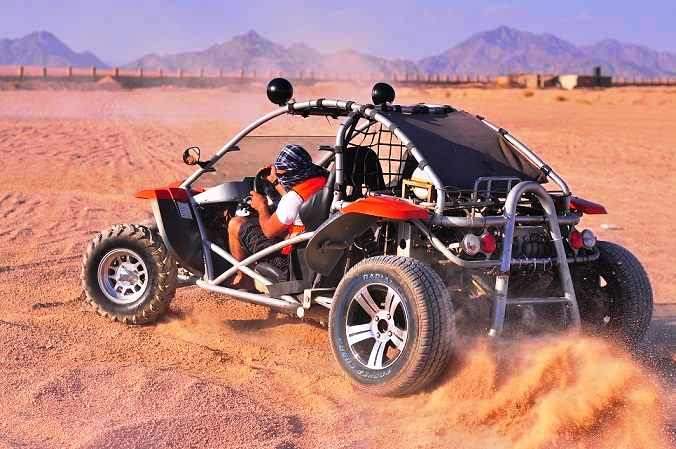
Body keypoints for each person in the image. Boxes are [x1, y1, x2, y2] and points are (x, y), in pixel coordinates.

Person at [227, 144, 328, 289]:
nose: (280, 179)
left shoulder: (293, 199)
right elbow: (294, 204)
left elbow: (269, 231)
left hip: (290, 263)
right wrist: (275, 182)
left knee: (236, 224)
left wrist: (261, 206)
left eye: (281, 175)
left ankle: (244, 279)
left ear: (291, 174)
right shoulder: (321, 182)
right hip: (315, 253)